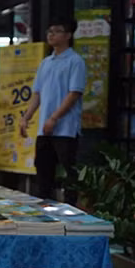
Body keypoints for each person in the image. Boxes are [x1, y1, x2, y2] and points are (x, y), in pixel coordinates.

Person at [20, 17, 86, 205]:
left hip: (65, 128)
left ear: (68, 35)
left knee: (68, 171)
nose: (51, 34)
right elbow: (37, 94)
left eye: (56, 31)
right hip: (44, 128)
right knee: (43, 170)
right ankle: (44, 209)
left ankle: (71, 211)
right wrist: (26, 118)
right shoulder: (45, 63)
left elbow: (74, 94)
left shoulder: (75, 61)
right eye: (50, 31)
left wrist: (54, 118)